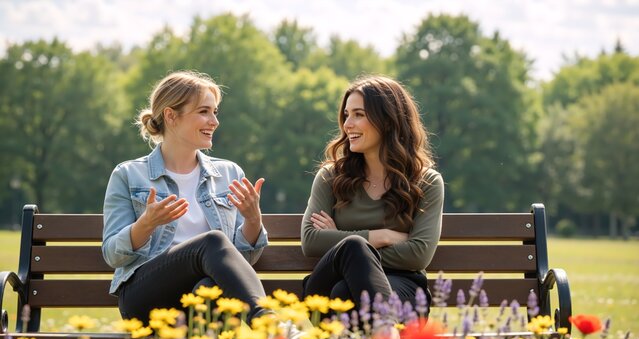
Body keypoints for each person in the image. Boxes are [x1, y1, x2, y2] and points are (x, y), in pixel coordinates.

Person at [102, 70, 271, 323]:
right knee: (212, 242)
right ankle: (269, 325)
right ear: (171, 116)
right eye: (204, 111)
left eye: (215, 112)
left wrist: (253, 220)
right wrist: (145, 225)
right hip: (145, 298)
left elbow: (239, 262)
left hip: (204, 293)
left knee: (209, 288)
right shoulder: (128, 174)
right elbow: (112, 255)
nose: (214, 121)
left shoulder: (229, 173)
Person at [301, 75, 444, 316]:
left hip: (401, 288)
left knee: (346, 288)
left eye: (358, 114)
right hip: (324, 290)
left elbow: (419, 254)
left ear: (387, 121)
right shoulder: (331, 177)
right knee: (353, 248)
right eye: (346, 115)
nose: (347, 124)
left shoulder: (426, 182)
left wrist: (342, 245)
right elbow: (311, 240)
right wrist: (382, 236)